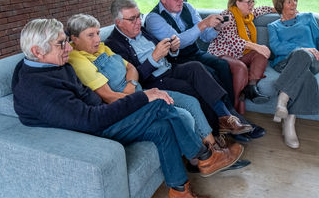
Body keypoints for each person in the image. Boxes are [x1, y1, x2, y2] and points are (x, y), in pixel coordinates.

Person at [12, 18, 244, 198]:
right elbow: (89, 120)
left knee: (162, 127)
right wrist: (144, 97)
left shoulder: (44, 64)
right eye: (61, 43)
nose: (69, 48)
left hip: (96, 115)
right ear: (36, 51)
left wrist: (137, 92)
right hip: (89, 132)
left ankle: (180, 193)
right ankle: (204, 156)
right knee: (159, 105)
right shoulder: (39, 88)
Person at [66, 14, 246, 169]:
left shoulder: (103, 47)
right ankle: (203, 158)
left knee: (193, 91)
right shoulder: (82, 58)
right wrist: (138, 91)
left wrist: (131, 81)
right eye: (90, 35)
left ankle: (215, 146)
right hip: (131, 99)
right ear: (74, 38)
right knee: (184, 110)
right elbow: (109, 96)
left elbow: (130, 68)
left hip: (141, 87)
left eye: (98, 33)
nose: (97, 39)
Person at [105, 0, 253, 138]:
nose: (138, 22)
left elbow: (167, 55)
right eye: (132, 19)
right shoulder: (114, 45)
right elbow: (135, 80)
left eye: (139, 16)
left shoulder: (141, 31)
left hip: (169, 68)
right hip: (154, 81)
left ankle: (225, 116)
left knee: (196, 67)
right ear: (118, 22)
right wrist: (154, 58)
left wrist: (173, 50)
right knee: (192, 88)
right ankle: (216, 132)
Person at [144, 0, 266, 140]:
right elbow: (178, 42)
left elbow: (206, 37)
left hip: (195, 52)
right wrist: (203, 24)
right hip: (176, 60)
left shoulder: (188, 7)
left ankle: (231, 117)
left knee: (222, 65)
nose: (181, 0)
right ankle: (230, 121)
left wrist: (215, 28)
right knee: (209, 73)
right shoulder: (154, 18)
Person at [268, 0, 319, 148]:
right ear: (280, 4)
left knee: (304, 56)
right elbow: (276, 48)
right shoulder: (274, 26)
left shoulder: (307, 17)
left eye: (295, 0)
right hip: (285, 63)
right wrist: (302, 48)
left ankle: (282, 101)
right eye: (289, 1)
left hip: (312, 60)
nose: (294, 4)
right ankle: (289, 122)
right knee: (304, 71)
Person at [208, 0, 275, 104]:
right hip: (221, 56)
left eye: (253, 1)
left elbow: (261, 10)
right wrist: (257, 46)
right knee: (246, 63)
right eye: (249, 2)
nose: (252, 4)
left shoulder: (248, 16)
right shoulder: (227, 16)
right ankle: (234, 107)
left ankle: (251, 87)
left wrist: (277, 9)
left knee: (262, 54)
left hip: (238, 56)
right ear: (237, 2)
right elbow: (234, 41)